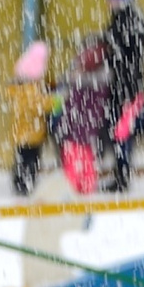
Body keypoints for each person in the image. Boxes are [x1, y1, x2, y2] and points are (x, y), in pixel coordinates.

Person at [102, 0, 144, 191]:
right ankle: (121, 174)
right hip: (127, 86)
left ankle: (122, 177)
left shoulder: (126, 19)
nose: (108, 2)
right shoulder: (130, 17)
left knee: (121, 134)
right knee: (121, 134)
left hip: (126, 88)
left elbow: (124, 54)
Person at [59, 42, 113, 196]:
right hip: (89, 132)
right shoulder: (102, 84)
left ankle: (74, 195)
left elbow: (70, 107)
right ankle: (85, 192)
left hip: (74, 132)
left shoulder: (79, 85)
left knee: (74, 169)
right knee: (87, 165)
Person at [11, 41, 54, 196]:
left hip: (21, 132)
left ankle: (20, 182)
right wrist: (55, 101)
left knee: (22, 158)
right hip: (32, 132)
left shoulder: (19, 87)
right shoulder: (31, 89)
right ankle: (24, 184)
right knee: (30, 160)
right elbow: (40, 105)